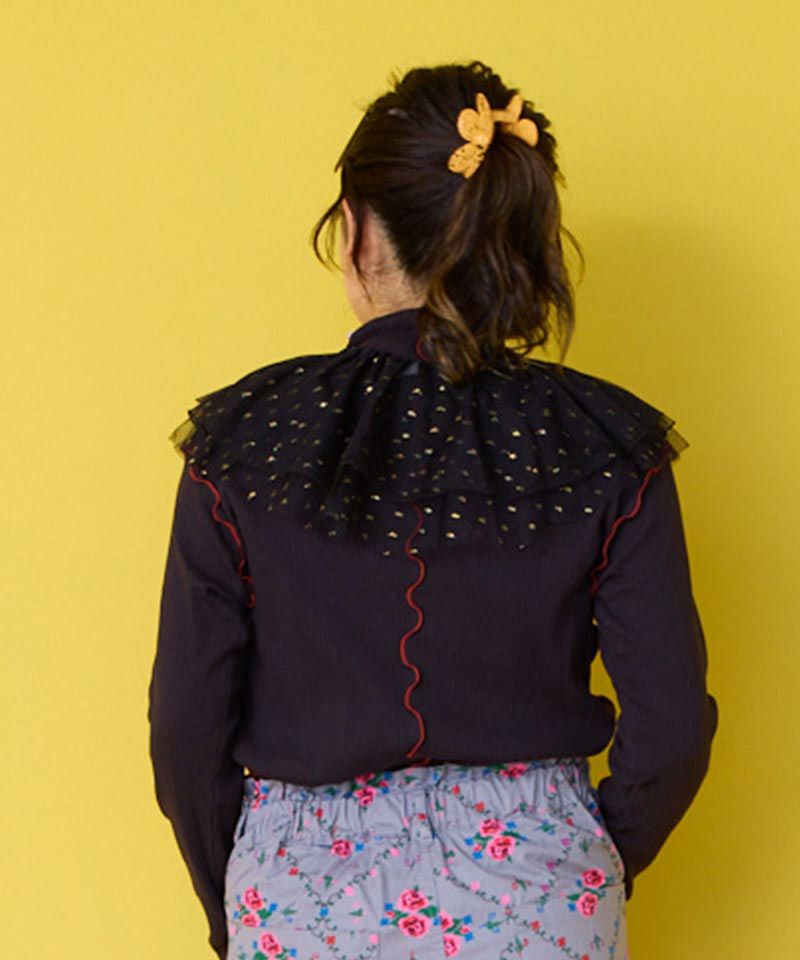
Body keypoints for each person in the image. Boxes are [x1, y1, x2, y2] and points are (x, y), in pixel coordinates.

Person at [147, 60, 718, 960]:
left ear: (355, 233)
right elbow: (674, 728)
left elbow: (186, 725)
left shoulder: (245, 442)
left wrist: (242, 901)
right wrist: (582, 865)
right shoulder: (607, 443)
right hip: (543, 888)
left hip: (298, 892)